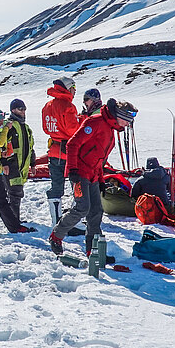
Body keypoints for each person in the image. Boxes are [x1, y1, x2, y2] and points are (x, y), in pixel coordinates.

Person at [48, 98, 138, 256]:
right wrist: (72, 170)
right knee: (82, 207)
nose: (127, 125)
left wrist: (102, 180)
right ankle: (56, 236)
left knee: (96, 211)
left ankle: (93, 250)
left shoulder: (110, 128)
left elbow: (99, 159)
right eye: (127, 121)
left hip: (93, 176)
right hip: (79, 173)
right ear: (119, 115)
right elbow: (72, 144)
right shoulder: (95, 122)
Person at [41, 76, 81, 227]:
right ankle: (75, 221)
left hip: (53, 151)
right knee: (77, 185)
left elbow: (46, 128)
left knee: (56, 186)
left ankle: (56, 221)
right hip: (69, 153)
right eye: (73, 88)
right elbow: (73, 130)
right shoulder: (68, 106)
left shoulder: (47, 105)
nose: (74, 92)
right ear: (68, 88)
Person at [2, 98, 36, 221]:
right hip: (11, 165)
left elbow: (31, 147)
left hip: (22, 166)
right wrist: (4, 163)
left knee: (16, 193)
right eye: (20, 109)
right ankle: (13, 221)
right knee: (15, 193)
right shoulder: (9, 126)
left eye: (24, 109)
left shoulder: (26, 127)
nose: (23, 112)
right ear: (13, 110)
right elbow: (1, 145)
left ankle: (14, 220)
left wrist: (33, 164)